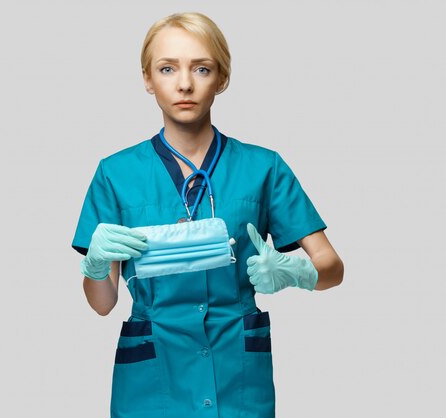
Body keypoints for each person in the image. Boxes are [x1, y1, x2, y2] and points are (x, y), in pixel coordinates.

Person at [72, 12, 344, 418]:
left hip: (238, 374)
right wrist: (95, 268)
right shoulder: (115, 173)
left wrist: (297, 273)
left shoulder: (263, 168)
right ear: (147, 79)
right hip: (152, 380)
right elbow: (102, 304)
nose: (185, 84)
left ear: (222, 78)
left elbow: (332, 268)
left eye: (202, 68)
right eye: (167, 68)